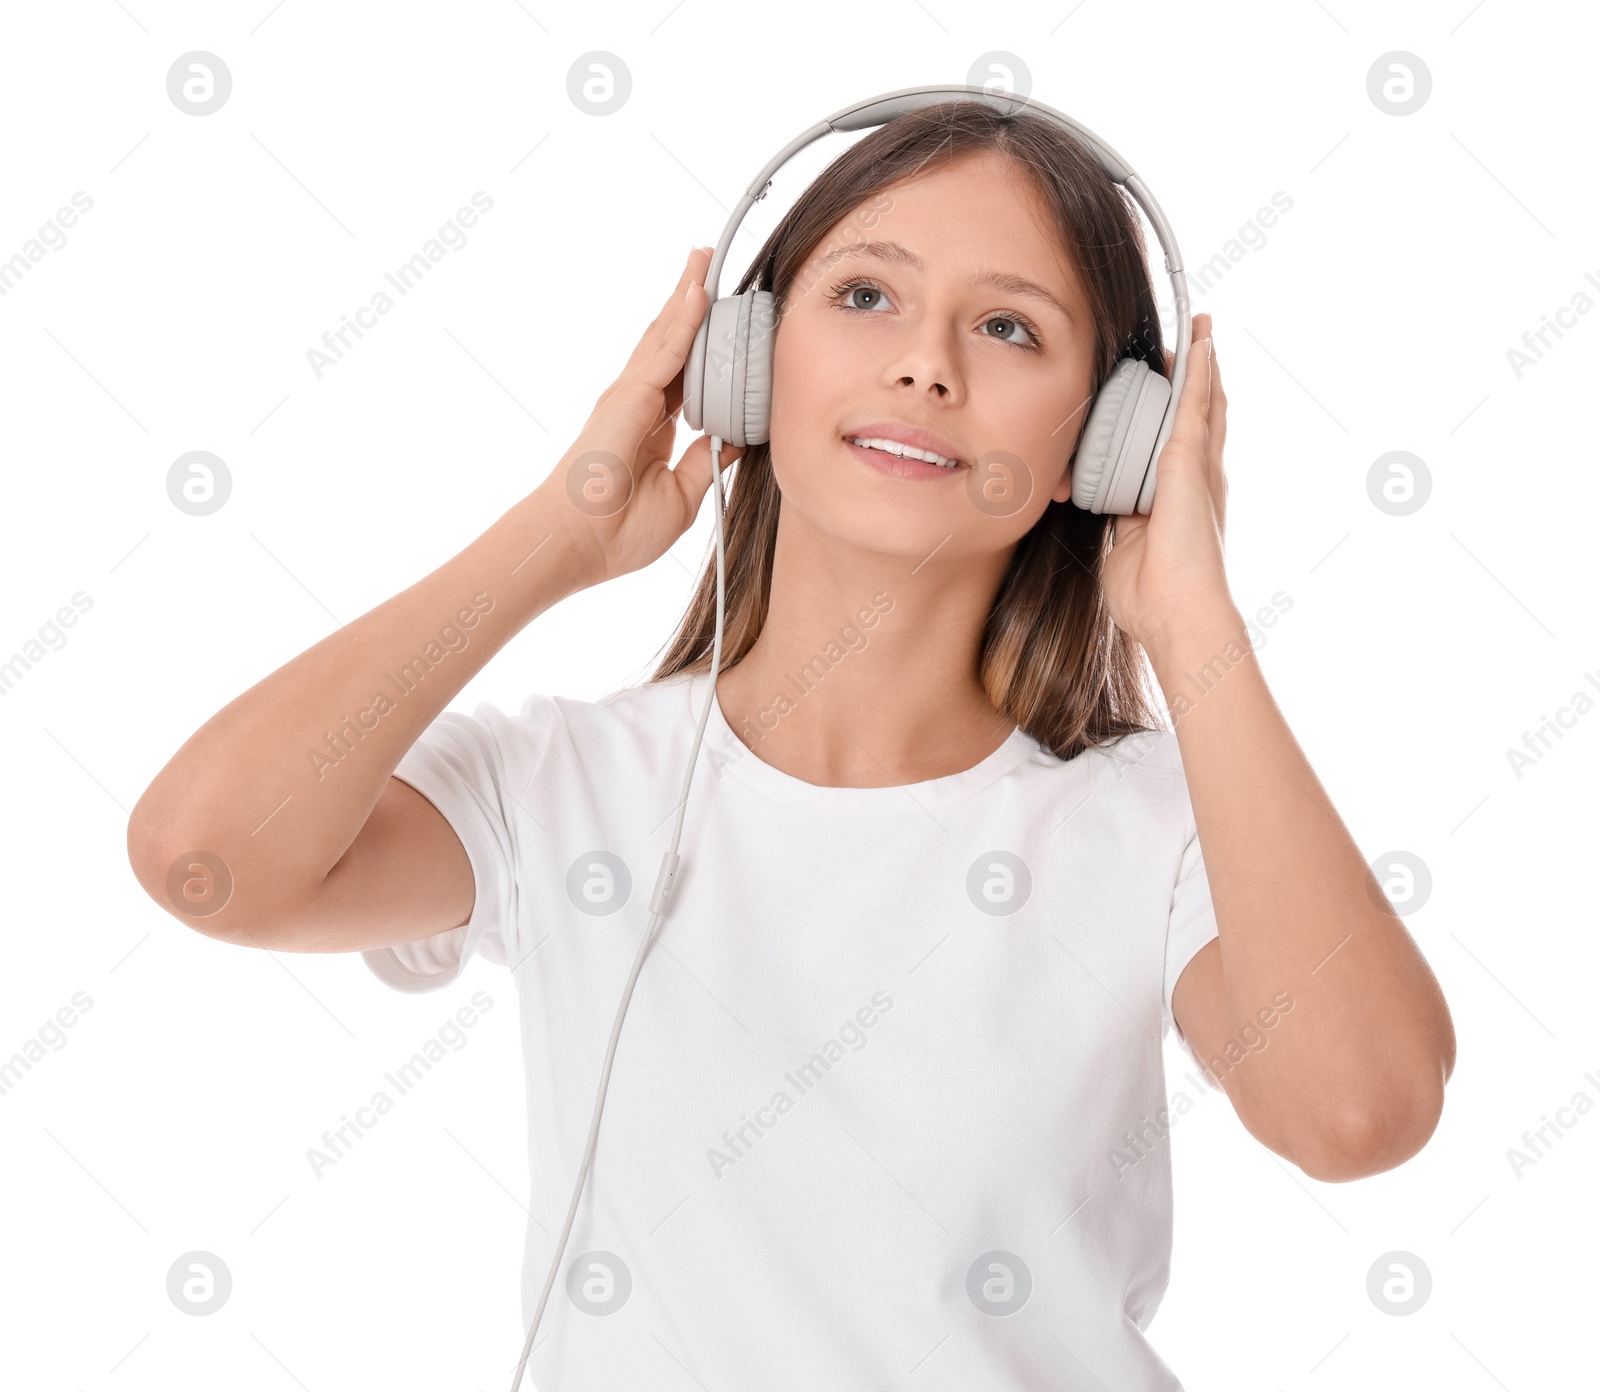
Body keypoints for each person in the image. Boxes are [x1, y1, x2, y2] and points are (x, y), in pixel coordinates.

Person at [127, 101, 1455, 1389]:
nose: (927, 365)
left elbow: (1357, 1116)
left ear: (1106, 446)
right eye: (866, 297)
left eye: (1007, 327)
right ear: (742, 363)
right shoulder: (565, 789)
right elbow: (208, 861)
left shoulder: (1168, 821)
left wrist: (1194, 623)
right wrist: (561, 534)